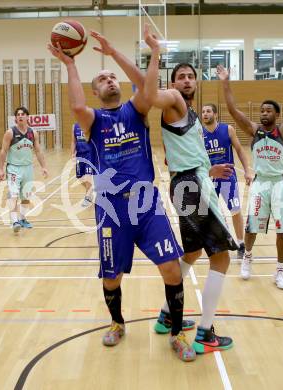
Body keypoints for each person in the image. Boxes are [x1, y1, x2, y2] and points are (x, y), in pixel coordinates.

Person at [48, 33, 196, 362]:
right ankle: (117, 322)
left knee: (171, 269)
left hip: (146, 203)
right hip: (111, 208)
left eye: (112, 76)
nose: (109, 79)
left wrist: (125, 54)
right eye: (101, 79)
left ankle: (176, 333)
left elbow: (146, 88)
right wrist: (71, 65)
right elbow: (74, 105)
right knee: (111, 277)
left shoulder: (136, 110)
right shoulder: (93, 120)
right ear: (95, 92)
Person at [144, 25, 237, 355]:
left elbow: (184, 154)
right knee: (222, 258)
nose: (185, 80)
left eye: (190, 76)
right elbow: (151, 96)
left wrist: (207, 169)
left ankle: (166, 316)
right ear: (173, 83)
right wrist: (154, 53)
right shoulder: (172, 100)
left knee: (193, 253)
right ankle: (204, 332)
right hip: (193, 188)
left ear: (196, 82)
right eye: (180, 76)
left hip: (190, 182)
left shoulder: (193, 115)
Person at [216, 56, 283, 289]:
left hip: (280, 185)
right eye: (262, 110)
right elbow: (233, 110)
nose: (263, 113)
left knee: (282, 229)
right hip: (260, 184)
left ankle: (280, 271)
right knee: (252, 226)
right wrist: (226, 82)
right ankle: (248, 258)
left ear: (276, 114)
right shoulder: (254, 131)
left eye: (268, 110)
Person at [202, 103, 252, 259]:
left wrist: (247, 170)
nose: (205, 114)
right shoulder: (198, 134)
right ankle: (219, 241)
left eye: (208, 111)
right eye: (203, 112)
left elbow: (239, 150)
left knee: (235, 211)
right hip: (209, 178)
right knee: (211, 213)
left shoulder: (228, 129)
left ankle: (241, 243)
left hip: (228, 178)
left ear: (215, 114)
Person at [0, 106, 48, 233]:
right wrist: (0, 169)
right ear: (15, 118)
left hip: (28, 168)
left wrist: (44, 167)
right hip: (14, 168)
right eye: (18, 114)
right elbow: (3, 151)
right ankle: (14, 221)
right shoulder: (10, 132)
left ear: (27, 117)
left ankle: (22, 218)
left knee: (26, 196)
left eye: (23, 114)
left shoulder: (33, 133)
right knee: (13, 194)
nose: (20, 116)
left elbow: (38, 151)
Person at [71, 122, 93, 207]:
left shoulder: (90, 124)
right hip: (79, 155)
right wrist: (72, 154)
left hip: (89, 154)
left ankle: (87, 197)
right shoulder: (74, 126)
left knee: (88, 175)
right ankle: (90, 190)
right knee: (80, 177)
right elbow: (73, 141)